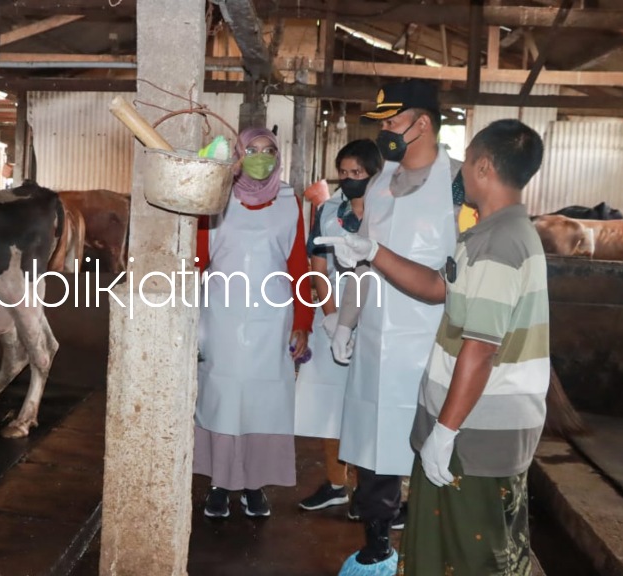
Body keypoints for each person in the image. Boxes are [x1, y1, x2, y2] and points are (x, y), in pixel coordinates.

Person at [316, 118, 549, 576]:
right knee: (450, 545)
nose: (460, 173)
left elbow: (479, 349)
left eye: (467, 162)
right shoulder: (488, 234)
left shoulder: (499, 244)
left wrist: (445, 429)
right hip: (473, 424)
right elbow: (438, 286)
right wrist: (372, 252)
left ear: (483, 167)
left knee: (472, 554)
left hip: (477, 429)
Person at [329, 79, 465, 576]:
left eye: (392, 121)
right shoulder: (379, 184)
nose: (385, 130)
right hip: (376, 337)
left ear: (422, 123)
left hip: (433, 336)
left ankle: (435, 548)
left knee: (433, 443)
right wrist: (346, 322)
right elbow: (362, 260)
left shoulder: (459, 182)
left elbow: (468, 269)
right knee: (372, 442)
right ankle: (377, 544)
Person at [194, 126, 314, 519]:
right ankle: (218, 483)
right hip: (221, 317)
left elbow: (298, 265)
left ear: (278, 157)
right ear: (238, 155)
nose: (261, 158)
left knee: (264, 400)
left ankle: (254, 484)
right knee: (221, 397)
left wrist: (304, 321)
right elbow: (198, 259)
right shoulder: (216, 196)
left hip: (271, 320)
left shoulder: (288, 200)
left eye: (269, 151)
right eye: (252, 150)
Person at [296, 139, 382, 518]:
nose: (349, 179)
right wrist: (331, 317)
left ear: (373, 174)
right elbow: (317, 262)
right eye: (343, 173)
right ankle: (335, 484)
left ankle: (367, 490)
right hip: (331, 312)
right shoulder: (329, 209)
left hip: (374, 315)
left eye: (357, 172)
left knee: (366, 404)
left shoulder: (387, 212)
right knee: (330, 403)